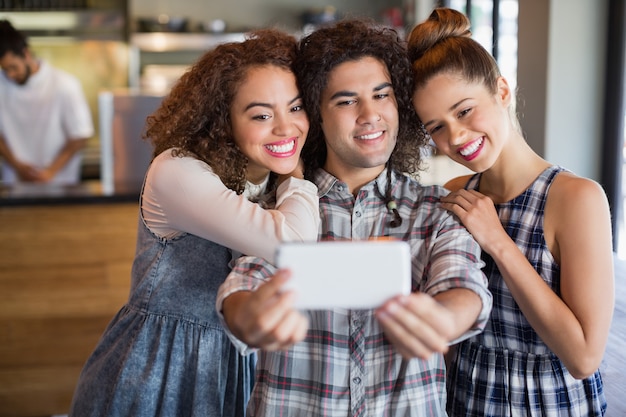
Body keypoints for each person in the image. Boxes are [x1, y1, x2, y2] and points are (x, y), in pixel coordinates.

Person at [216, 19, 493, 416]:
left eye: (382, 95)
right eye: (346, 101)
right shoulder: (281, 208)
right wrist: (249, 315)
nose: (370, 114)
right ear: (317, 115)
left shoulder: (436, 210)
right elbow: (243, 284)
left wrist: (443, 318)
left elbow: (465, 285)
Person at [69, 29, 320, 417]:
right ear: (223, 119)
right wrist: (299, 175)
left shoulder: (269, 173)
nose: (286, 128)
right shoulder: (177, 170)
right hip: (159, 361)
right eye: (261, 115)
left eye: (296, 107)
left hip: (237, 365)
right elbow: (293, 244)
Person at [409, 8, 614, 416]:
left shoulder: (576, 199)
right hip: (465, 399)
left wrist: (498, 242)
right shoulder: (453, 194)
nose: (456, 137)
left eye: (464, 110)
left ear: (502, 91)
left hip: (549, 403)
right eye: (436, 127)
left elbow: (584, 357)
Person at [0, 19, 93, 185]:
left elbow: (80, 135)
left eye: (13, 67)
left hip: (60, 187)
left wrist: (49, 172)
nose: (10, 75)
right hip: (13, 187)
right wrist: (18, 166)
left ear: (26, 54)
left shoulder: (64, 84)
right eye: (4, 70)